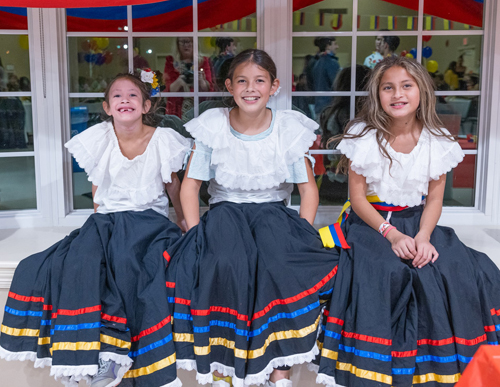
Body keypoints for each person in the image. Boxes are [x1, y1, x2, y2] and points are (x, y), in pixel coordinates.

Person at [315, 56, 500, 387]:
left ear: (421, 91)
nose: (397, 94)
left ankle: (438, 365)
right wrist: (391, 234)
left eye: (406, 86)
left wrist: (425, 237)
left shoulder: (438, 140)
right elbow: (357, 199)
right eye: (388, 87)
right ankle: (377, 365)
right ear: (377, 93)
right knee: (387, 271)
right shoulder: (363, 135)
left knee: (455, 268)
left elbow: (435, 199)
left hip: (418, 220)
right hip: (372, 221)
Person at [0, 72, 192, 387]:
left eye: (133, 95)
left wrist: (185, 224)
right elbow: (97, 189)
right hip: (106, 221)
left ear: (145, 106)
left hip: (150, 224)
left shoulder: (163, 139)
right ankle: (86, 358)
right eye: (117, 96)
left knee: (135, 266)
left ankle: (118, 354)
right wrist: (98, 231)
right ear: (106, 106)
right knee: (73, 263)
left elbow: (174, 187)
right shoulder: (98, 138)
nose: (125, 100)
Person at [164, 49, 339, 387]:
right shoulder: (213, 126)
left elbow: (308, 189)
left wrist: (304, 233)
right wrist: (195, 231)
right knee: (224, 264)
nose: (250, 88)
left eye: (259, 80)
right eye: (242, 80)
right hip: (225, 212)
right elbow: (190, 187)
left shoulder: (287, 128)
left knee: (281, 266)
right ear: (229, 86)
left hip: (274, 213)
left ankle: (280, 367)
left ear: (274, 86)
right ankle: (222, 366)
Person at [164, 37, 214, 118]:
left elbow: (209, 89)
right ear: (177, 44)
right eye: (183, 42)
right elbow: (168, 89)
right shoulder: (171, 61)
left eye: (189, 42)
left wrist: (201, 81)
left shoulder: (203, 61)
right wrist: (179, 81)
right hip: (177, 107)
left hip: (198, 105)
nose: (186, 45)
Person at [312, 37, 341, 117]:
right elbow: (337, 85)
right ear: (328, 46)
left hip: (319, 106)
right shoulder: (331, 63)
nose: (337, 47)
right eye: (335, 44)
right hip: (329, 107)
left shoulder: (316, 63)